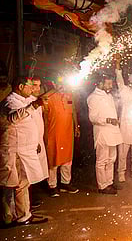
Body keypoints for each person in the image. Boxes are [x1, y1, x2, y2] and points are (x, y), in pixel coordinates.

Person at [0, 77, 48, 227]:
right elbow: (13, 117)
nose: (32, 89)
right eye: (29, 86)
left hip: (24, 149)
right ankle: (8, 217)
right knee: (10, 185)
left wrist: (36, 142)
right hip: (13, 150)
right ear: (21, 86)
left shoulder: (24, 100)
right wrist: (33, 105)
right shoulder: (10, 101)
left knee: (23, 183)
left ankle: (23, 215)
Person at [43, 78, 80, 197]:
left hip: (67, 132)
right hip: (53, 133)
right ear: (53, 83)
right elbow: (42, 108)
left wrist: (76, 126)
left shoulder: (69, 96)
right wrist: (54, 90)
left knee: (67, 158)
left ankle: (65, 183)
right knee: (54, 159)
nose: (62, 85)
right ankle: (52, 186)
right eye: (59, 83)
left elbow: (73, 110)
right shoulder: (47, 97)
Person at [87, 74, 123, 195]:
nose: (110, 86)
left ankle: (109, 182)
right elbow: (92, 117)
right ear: (100, 84)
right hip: (102, 133)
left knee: (111, 159)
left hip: (113, 132)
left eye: (111, 83)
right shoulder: (93, 97)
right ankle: (102, 186)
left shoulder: (109, 96)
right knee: (102, 160)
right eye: (108, 84)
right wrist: (108, 120)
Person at [25, 77, 49, 206]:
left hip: (39, 140)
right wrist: (36, 142)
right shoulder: (27, 103)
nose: (37, 88)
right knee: (29, 172)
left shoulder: (36, 101)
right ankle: (28, 199)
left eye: (39, 85)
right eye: (34, 85)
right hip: (31, 142)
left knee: (37, 170)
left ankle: (32, 197)